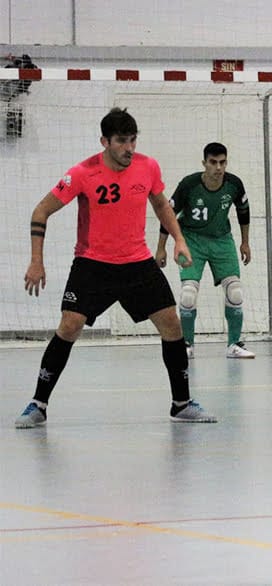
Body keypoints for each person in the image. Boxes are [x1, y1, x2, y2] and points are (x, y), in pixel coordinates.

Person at [15, 107, 217, 428]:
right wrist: (37, 260)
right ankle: (38, 404)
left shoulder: (147, 166)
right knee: (69, 327)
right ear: (105, 141)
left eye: (133, 140)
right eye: (122, 141)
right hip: (92, 265)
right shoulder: (82, 173)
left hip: (137, 264)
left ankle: (181, 404)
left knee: (172, 326)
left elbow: (162, 205)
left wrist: (178, 240)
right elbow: (41, 211)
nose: (129, 148)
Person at [155, 142, 254, 359]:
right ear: (204, 163)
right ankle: (187, 344)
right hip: (191, 240)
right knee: (188, 294)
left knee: (235, 291)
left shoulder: (234, 184)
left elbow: (243, 211)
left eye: (222, 162)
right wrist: (161, 248)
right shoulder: (189, 185)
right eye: (213, 162)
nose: (218, 168)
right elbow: (168, 214)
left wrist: (245, 242)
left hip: (222, 240)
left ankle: (234, 344)